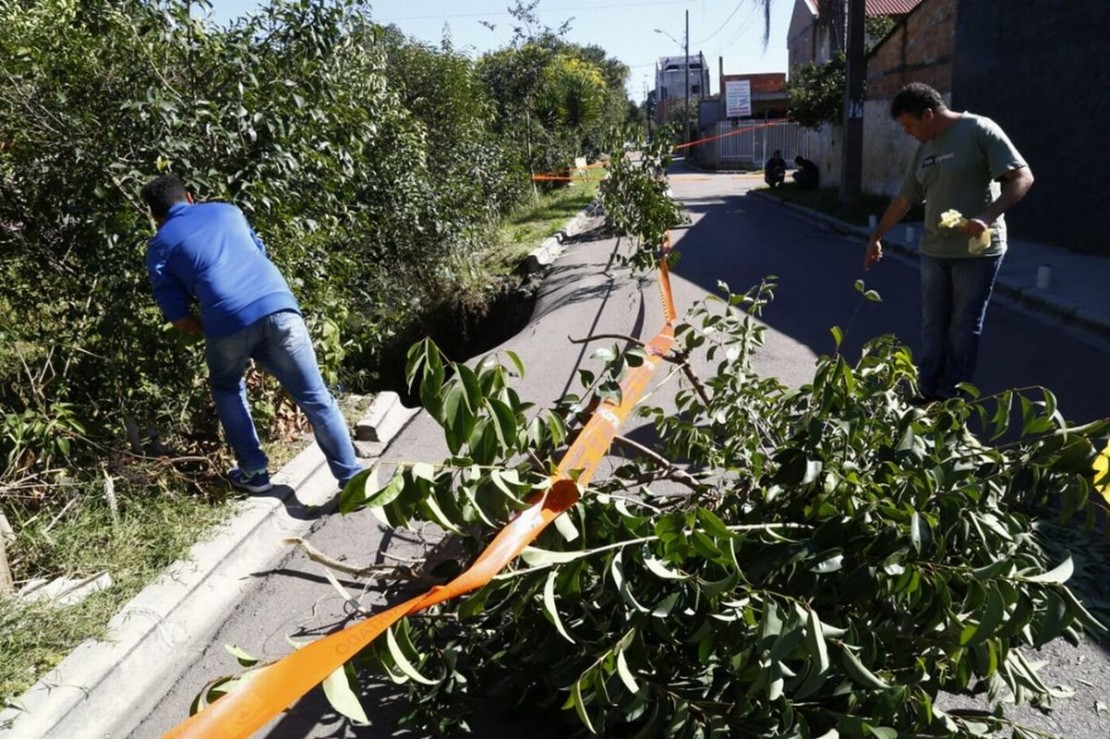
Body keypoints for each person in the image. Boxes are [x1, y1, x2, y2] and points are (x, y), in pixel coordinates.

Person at [141, 174, 362, 493]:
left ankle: (255, 472)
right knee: (315, 396)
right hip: (279, 304)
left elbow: (179, 319)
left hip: (226, 318)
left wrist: (218, 324)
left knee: (226, 387)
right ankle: (352, 478)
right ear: (189, 197)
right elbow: (259, 251)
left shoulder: (160, 245)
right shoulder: (228, 211)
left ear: (154, 215)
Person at [863, 82, 1034, 402]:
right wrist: (876, 236)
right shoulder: (924, 150)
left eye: (909, 124)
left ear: (928, 114)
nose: (907, 132)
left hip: (977, 251)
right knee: (932, 324)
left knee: (963, 325)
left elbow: (1023, 177)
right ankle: (926, 387)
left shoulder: (979, 130)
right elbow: (904, 199)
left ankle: (951, 394)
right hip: (934, 250)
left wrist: (987, 216)